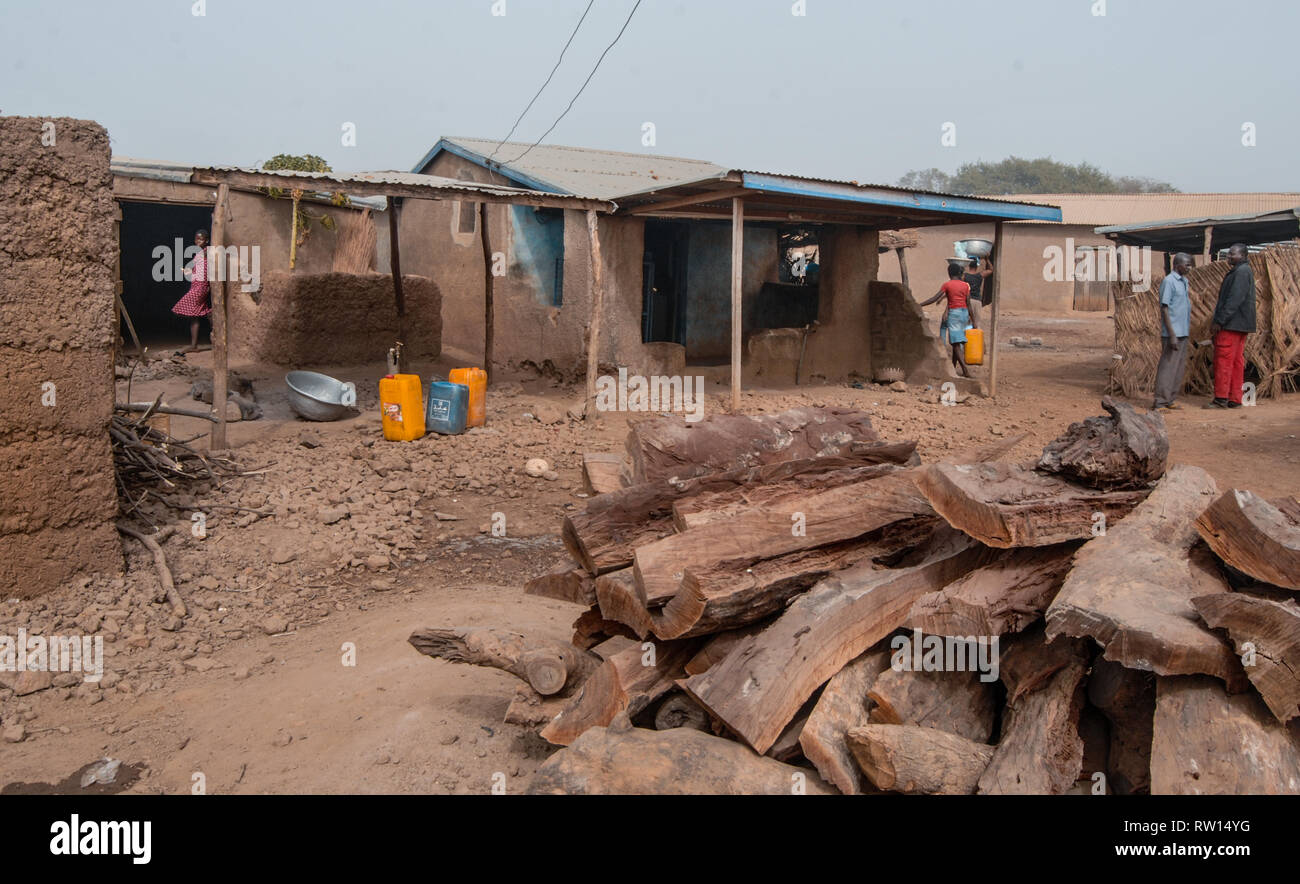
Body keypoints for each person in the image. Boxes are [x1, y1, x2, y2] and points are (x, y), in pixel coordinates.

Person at [1204, 243, 1256, 409]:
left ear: (1242, 255)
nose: (1229, 256)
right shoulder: (1243, 271)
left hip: (1231, 324)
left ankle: (1221, 398)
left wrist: (1219, 321)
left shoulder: (1240, 272)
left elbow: (1233, 300)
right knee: (1235, 362)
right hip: (1240, 325)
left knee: (1224, 360)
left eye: (1232, 254)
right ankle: (1234, 398)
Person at [919, 264, 977, 377]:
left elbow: (934, 298)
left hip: (954, 314)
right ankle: (953, 368)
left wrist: (920, 304)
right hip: (964, 314)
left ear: (949, 273)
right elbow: (968, 303)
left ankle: (965, 370)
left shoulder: (947, 285)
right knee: (957, 341)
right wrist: (973, 320)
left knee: (955, 343)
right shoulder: (965, 285)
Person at [1152, 253, 1192, 412]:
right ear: (1177, 265)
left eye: (1190, 265)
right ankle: (1160, 401)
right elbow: (1165, 308)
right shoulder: (1169, 282)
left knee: (1178, 367)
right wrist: (1172, 334)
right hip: (1172, 333)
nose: (1190, 268)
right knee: (1167, 367)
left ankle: (1170, 399)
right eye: (1187, 265)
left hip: (1183, 331)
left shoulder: (1184, 282)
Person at [171, 229, 211, 352]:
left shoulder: (207, 252)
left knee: (179, 309)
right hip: (196, 285)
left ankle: (211, 317)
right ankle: (194, 346)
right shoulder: (199, 253)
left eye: (201, 239)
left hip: (200, 287)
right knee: (194, 316)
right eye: (196, 239)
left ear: (207, 241)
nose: (198, 241)